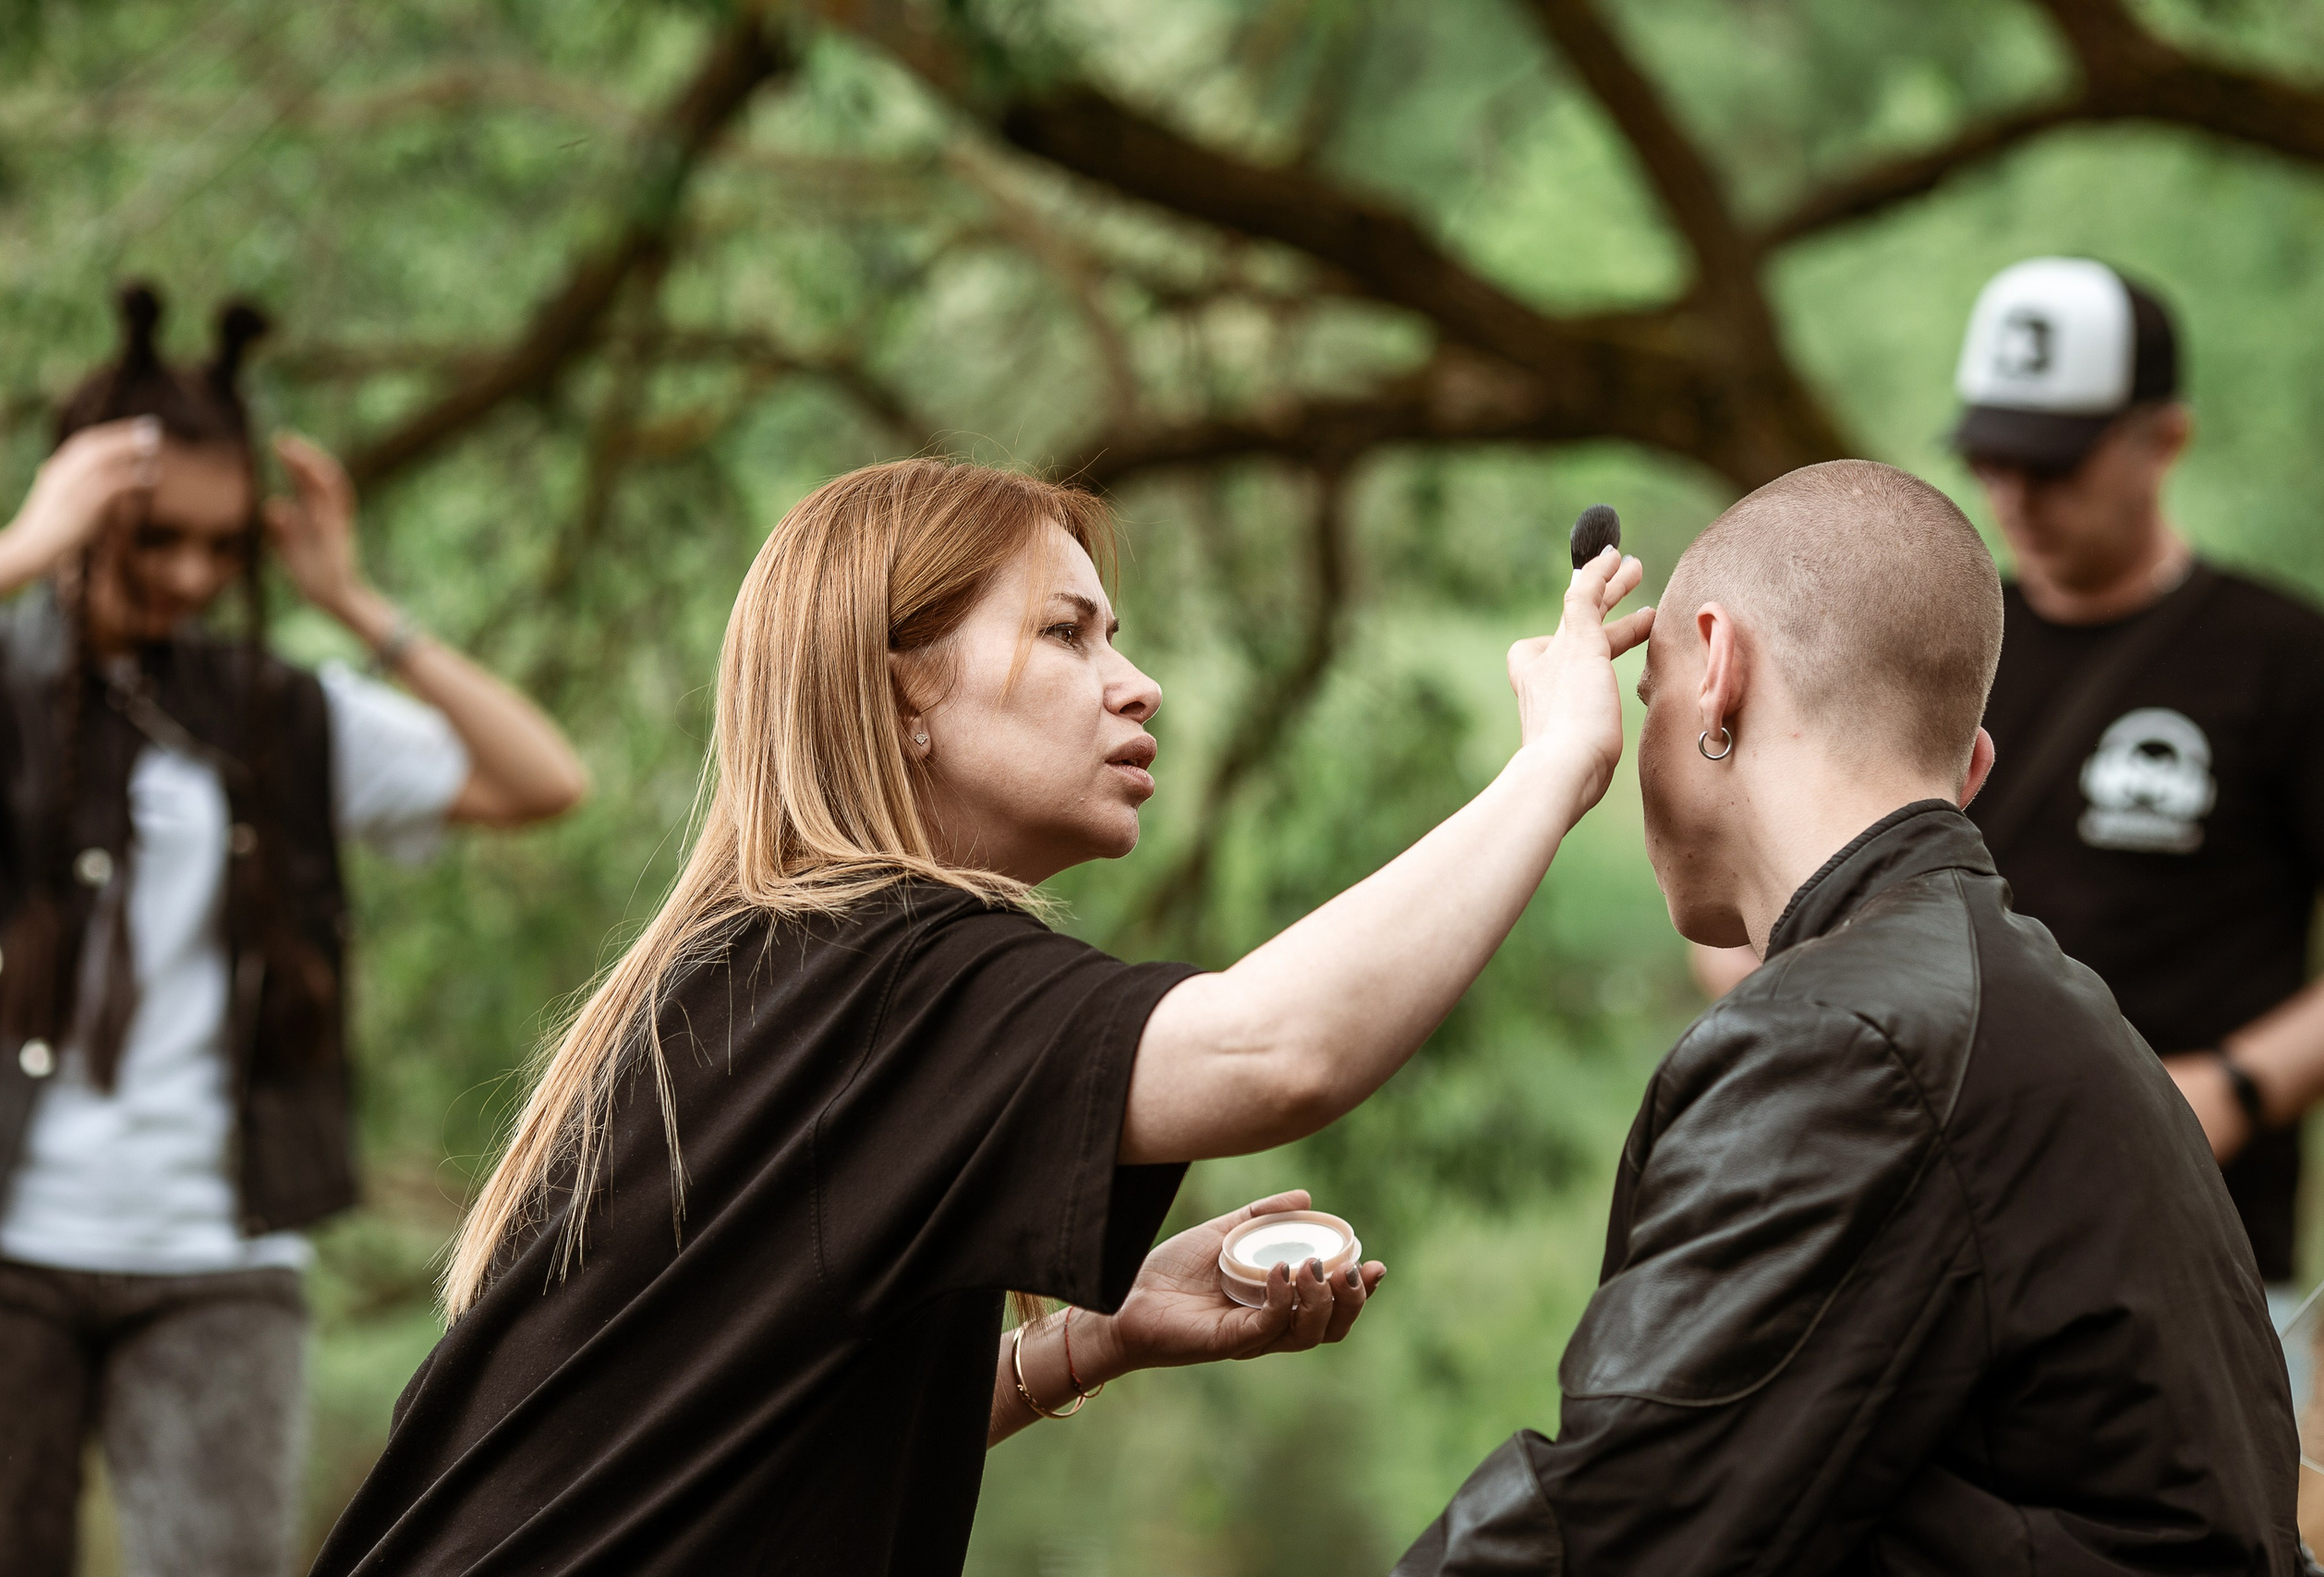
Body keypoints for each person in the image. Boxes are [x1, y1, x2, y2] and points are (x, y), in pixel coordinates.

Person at [306, 455, 1652, 1576]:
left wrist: (1098, 1337)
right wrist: (1553, 765)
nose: (1137, 682)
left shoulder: (782, 968)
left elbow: (743, 1424)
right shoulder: (880, 972)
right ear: (905, 693)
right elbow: (1275, 1048)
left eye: (1113, 634)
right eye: (1067, 632)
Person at [1401, 461, 2297, 1573]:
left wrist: (1544, 766)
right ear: (1969, 772)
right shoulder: (2046, 1009)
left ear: (1718, 671)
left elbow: (1615, 1530)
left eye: (1649, 700)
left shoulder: (1854, 1043)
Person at [0, 286, 587, 1577]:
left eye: (224, 548)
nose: (194, 576)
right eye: (155, 537)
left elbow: (544, 778)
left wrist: (361, 602)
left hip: (223, 1253)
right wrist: (24, 544)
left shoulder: (283, 711)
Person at [1698, 260, 2324, 1353]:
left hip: (2186, 1267)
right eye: (1994, 458)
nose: (2015, 495)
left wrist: (2235, 1087)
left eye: (2054, 462)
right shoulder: (1922, 648)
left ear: (2165, 440)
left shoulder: (2290, 665)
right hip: (1906, 1255)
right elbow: (1752, 894)